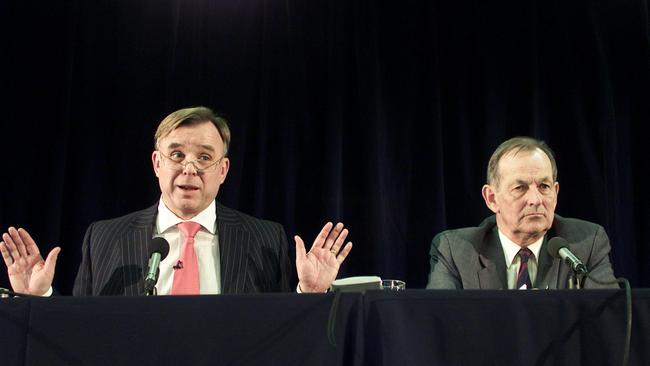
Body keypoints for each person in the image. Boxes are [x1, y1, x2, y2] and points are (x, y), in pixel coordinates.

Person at [1, 106, 352, 296]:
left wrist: (310, 293)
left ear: (223, 170)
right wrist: (38, 301)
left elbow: (287, 338)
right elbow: (79, 332)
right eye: (177, 154)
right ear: (157, 164)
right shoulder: (105, 237)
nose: (190, 168)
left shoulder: (265, 238)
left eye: (204, 157)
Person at [427, 136, 617, 289]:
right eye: (520, 188)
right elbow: (439, 325)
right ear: (492, 198)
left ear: (556, 192)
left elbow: (608, 324)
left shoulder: (586, 243)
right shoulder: (456, 251)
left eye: (544, 186)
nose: (536, 199)